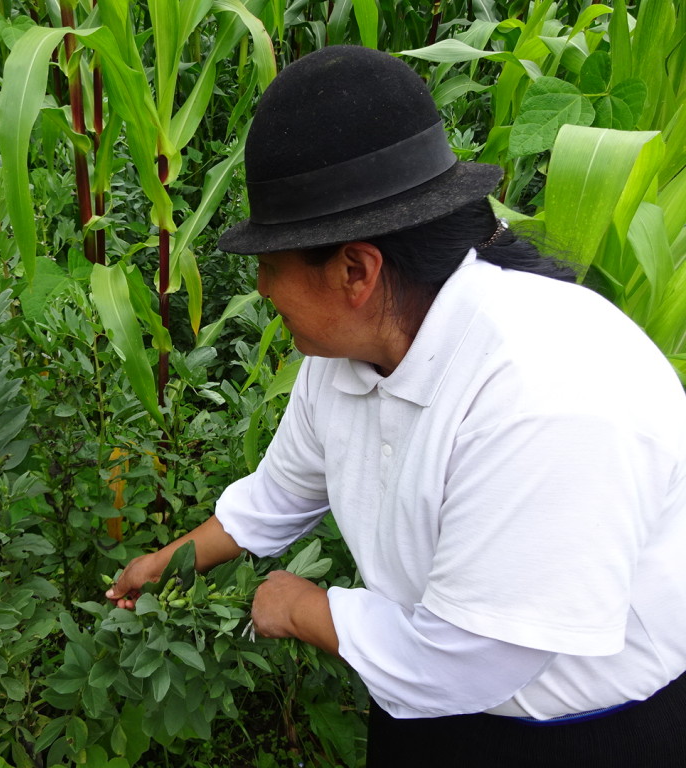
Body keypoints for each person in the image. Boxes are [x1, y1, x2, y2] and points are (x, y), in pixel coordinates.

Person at [105, 45, 686, 767]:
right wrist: (168, 561)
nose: (261, 291)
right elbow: (281, 493)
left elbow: (468, 659)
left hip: (586, 735)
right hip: (420, 702)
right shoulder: (349, 353)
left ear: (356, 269)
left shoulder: (545, 391)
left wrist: (300, 606)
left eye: (270, 269)